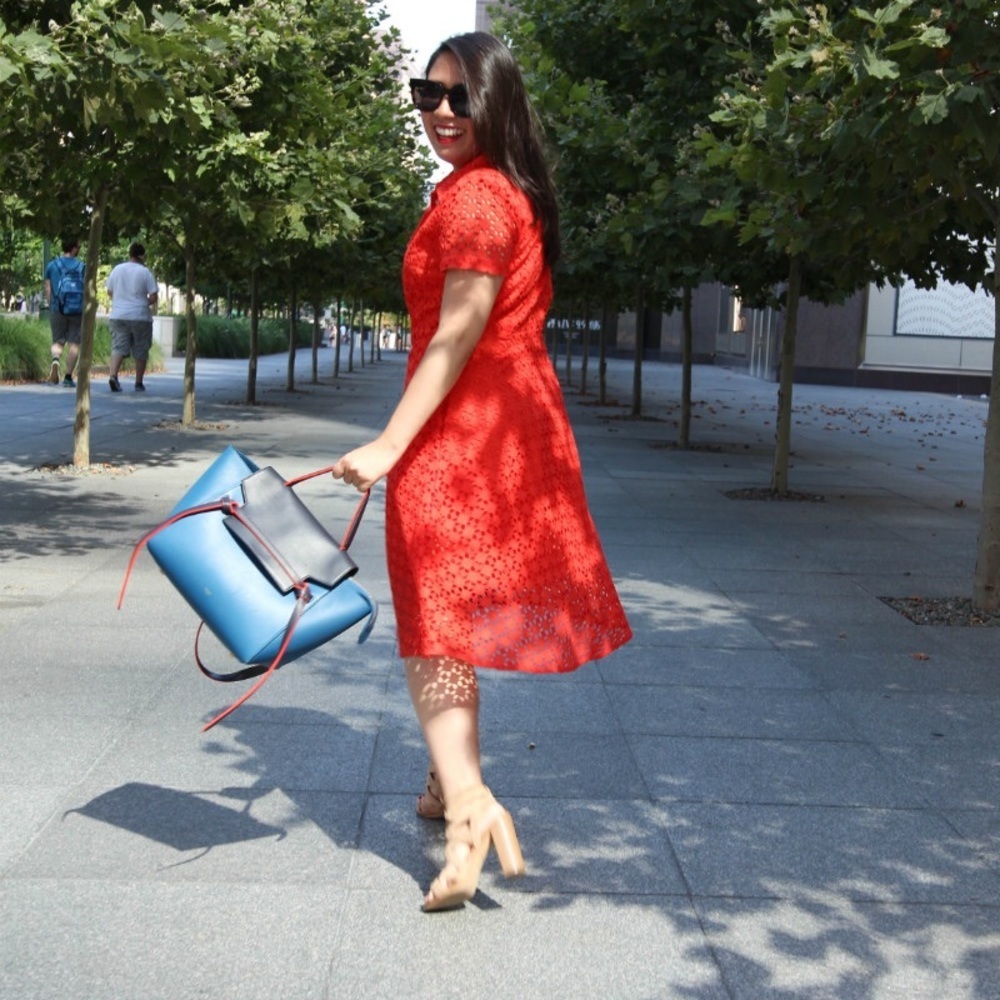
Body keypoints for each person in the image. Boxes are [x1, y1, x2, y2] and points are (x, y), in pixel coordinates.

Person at [332, 32, 631, 912]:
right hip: (510, 427)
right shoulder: (507, 194)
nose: (443, 113)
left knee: (434, 616)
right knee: (454, 609)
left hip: (463, 437)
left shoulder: (475, 202)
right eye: (430, 94)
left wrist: (390, 444)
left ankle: (468, 809)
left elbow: (458, 331)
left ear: (499, 103)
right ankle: (441, 779)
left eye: (464, 97)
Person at [105, 242, 158, 392]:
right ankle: (138, 382)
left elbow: (109, 291)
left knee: (118, 346)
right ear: (142, 256)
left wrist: (121, 301)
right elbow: (153, 297)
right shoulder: (145, 272)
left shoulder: (117, 269)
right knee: (141, 348)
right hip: (140, 316)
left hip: (118, 315)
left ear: (130, 254)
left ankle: (113, 375)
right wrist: (142, 303)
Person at [43, 237, 85, 387]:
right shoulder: (82, 266)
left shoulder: (52, 265)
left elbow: (48, 288)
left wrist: (52, 304)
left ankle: (55, 361)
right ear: (74, 248)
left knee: (57, 340)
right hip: (77, 310)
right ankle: (68, 377)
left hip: (58, 308)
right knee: (74, 343)